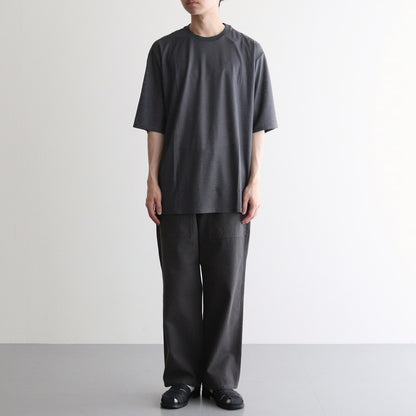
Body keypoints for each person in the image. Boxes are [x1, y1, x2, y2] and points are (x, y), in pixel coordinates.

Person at [132, 0, 278, 410]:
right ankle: (182, 379)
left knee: (226, 290)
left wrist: (255, 180)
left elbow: (258, 123)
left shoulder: (248, 52)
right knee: (179, 290)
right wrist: (152, 179)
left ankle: (220, 381)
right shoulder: (165, 51)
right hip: (176, 187)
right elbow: (155, 122)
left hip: (230, 192)